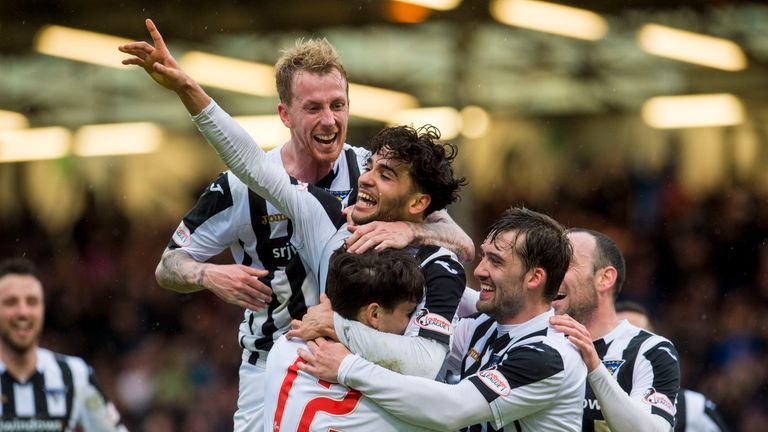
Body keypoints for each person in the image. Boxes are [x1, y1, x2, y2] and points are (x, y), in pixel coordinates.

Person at [119, 19, 473, 431]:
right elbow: (169, 265)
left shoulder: (370, 170)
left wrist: (414, 231)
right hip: (272, 353)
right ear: (284, 114)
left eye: (337, 105)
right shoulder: (256, 191)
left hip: (361, 356)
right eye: (313, 108)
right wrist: (208, 273)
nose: (329, 120)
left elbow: (460, 243)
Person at [296, 207, 587, 431]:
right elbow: (409, 345)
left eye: (496, 261)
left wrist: (346, 362)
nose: (480, 270)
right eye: (483, 257)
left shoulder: (549, 355)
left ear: (535, 278)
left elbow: (451, 409)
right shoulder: (482, 327)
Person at [265, 248, 439, 431]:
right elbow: (458, 409)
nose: (410, 323)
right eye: (408, 313)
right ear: (374, 313)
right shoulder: (391, 404)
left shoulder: (283, 348)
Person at [550, 228, 681, 432]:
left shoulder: (649, 351)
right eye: (550, 265)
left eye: (566, 265)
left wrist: (595, 368)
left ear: (604, 278)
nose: (552, 275)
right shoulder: (534, 340)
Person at [0, 258, 128, 432]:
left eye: (32, 301)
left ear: (43, 309)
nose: (23, 312)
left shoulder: (75, 375)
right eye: (11, 302)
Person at [615, 301, 730, 432]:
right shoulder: (586, 401)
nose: (632, 349)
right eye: (621, 338)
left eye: (641, 339)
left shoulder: (691, 408)